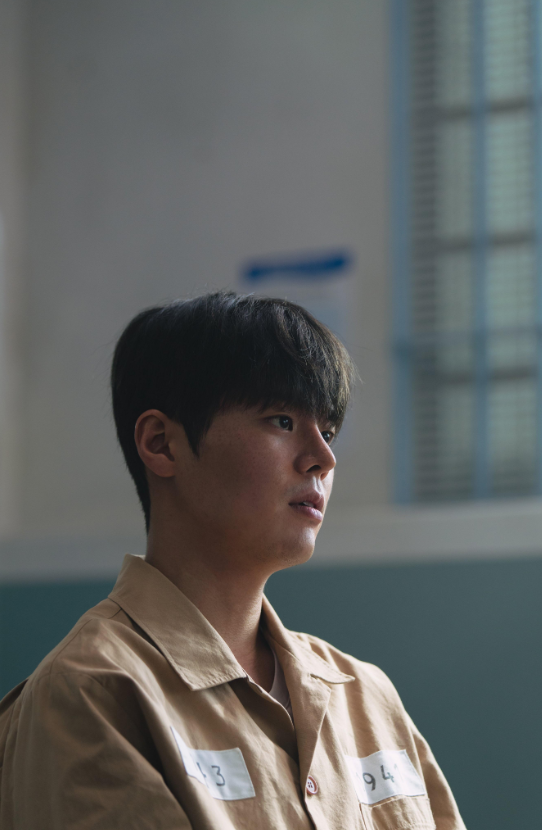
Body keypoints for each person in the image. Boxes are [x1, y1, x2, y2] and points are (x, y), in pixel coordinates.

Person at [0, 292, 466, 829]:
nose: (323, 458)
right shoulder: (95, 691)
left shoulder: (364, 695)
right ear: (162, 444)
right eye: (282, 420)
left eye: (328, 431)